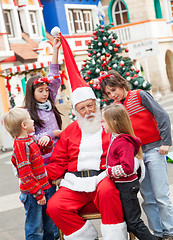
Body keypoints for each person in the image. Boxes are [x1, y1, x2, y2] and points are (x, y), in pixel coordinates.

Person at [45, 28, 128, 240]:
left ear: (96, 105)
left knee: (109, 192)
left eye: (91, 106)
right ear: (76, 112)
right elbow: (58, 161)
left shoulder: (108, 123)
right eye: (82, 108)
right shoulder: (69, 132)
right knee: (54, 206)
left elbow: (124, 148)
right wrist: (42, 176)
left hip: (102, 178)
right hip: (74, 183)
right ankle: (87, 237)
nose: (88, 111)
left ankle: (115, 236)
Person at [99, 70, 173, 240]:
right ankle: (157, 233)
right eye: (108, 93)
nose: (112, 95)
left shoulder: (139, 95)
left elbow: (161, 115)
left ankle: (169, 231)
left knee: (161, 195)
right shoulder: (116, 108)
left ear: (120, 84)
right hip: (136, 156)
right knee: (147, 197)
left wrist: (166, 142)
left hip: (154, 149)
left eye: (113, 89)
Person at [24, 34, 62, 239]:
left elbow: (54, 78)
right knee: (43, 210)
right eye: (41, 90)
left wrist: (55, 49)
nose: (45, 93)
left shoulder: (51, 104)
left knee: (55, 209)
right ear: (32, 92)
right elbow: (28, 138)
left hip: (58, 161)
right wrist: (52, 133)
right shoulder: (28, 113)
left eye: (46, 90)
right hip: (41, 167)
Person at [102, 103, 157, 240]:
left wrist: (109, 171)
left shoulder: (123, 142)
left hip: (126, 187)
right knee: (130, 221)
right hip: (124, 186)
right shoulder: (115, 138)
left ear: (114, 122)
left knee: (134, 223)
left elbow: (127, 167)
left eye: (104, 120)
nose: (102, 124)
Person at [3, 107, 55, 240]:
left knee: (48, 224)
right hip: (33, 194)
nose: (33, 121)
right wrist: (38, 194)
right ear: (24, 125)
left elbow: (40, 153)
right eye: (30, 119)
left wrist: (47, 143)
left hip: (43, 189)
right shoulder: (21, 146)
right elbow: (26, 174)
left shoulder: (30, 140)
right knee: (35, 227)